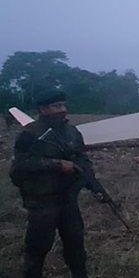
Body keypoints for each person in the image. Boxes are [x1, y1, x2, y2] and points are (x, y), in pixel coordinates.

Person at [9, 89, 109, 278]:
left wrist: (94, 186)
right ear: (43, 109)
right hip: (42, 201)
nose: (63, 109)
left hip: (68, 198)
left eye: (63, 105)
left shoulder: (71, 131)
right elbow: (20, 165)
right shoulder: (30, 133)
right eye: (57, 106)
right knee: (37, 249)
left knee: (75, 244)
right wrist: (56, 164)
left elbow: (81, 159)